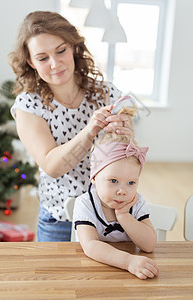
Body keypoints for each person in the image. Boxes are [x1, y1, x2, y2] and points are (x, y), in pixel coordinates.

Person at [8, 11, 134, 242]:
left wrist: (126, 135)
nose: (55, 64)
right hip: (61, 219)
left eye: (61, 51)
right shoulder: (28, 105)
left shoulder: (106, 92)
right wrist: (90, 130)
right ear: (31, 62)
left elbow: (127, 158)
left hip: (111, 214)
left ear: (74, 47)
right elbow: (52, 166)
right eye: (43, 58)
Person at [73, 132, 159, 279]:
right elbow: (91, 245)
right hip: (93, 274)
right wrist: (128, 261)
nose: (122, 191)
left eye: (131, 183)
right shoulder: (85, 203)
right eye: (113, 181)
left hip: (130, 277)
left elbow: (149, 245)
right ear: (94, 177)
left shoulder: (136, 202)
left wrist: (124, 215)